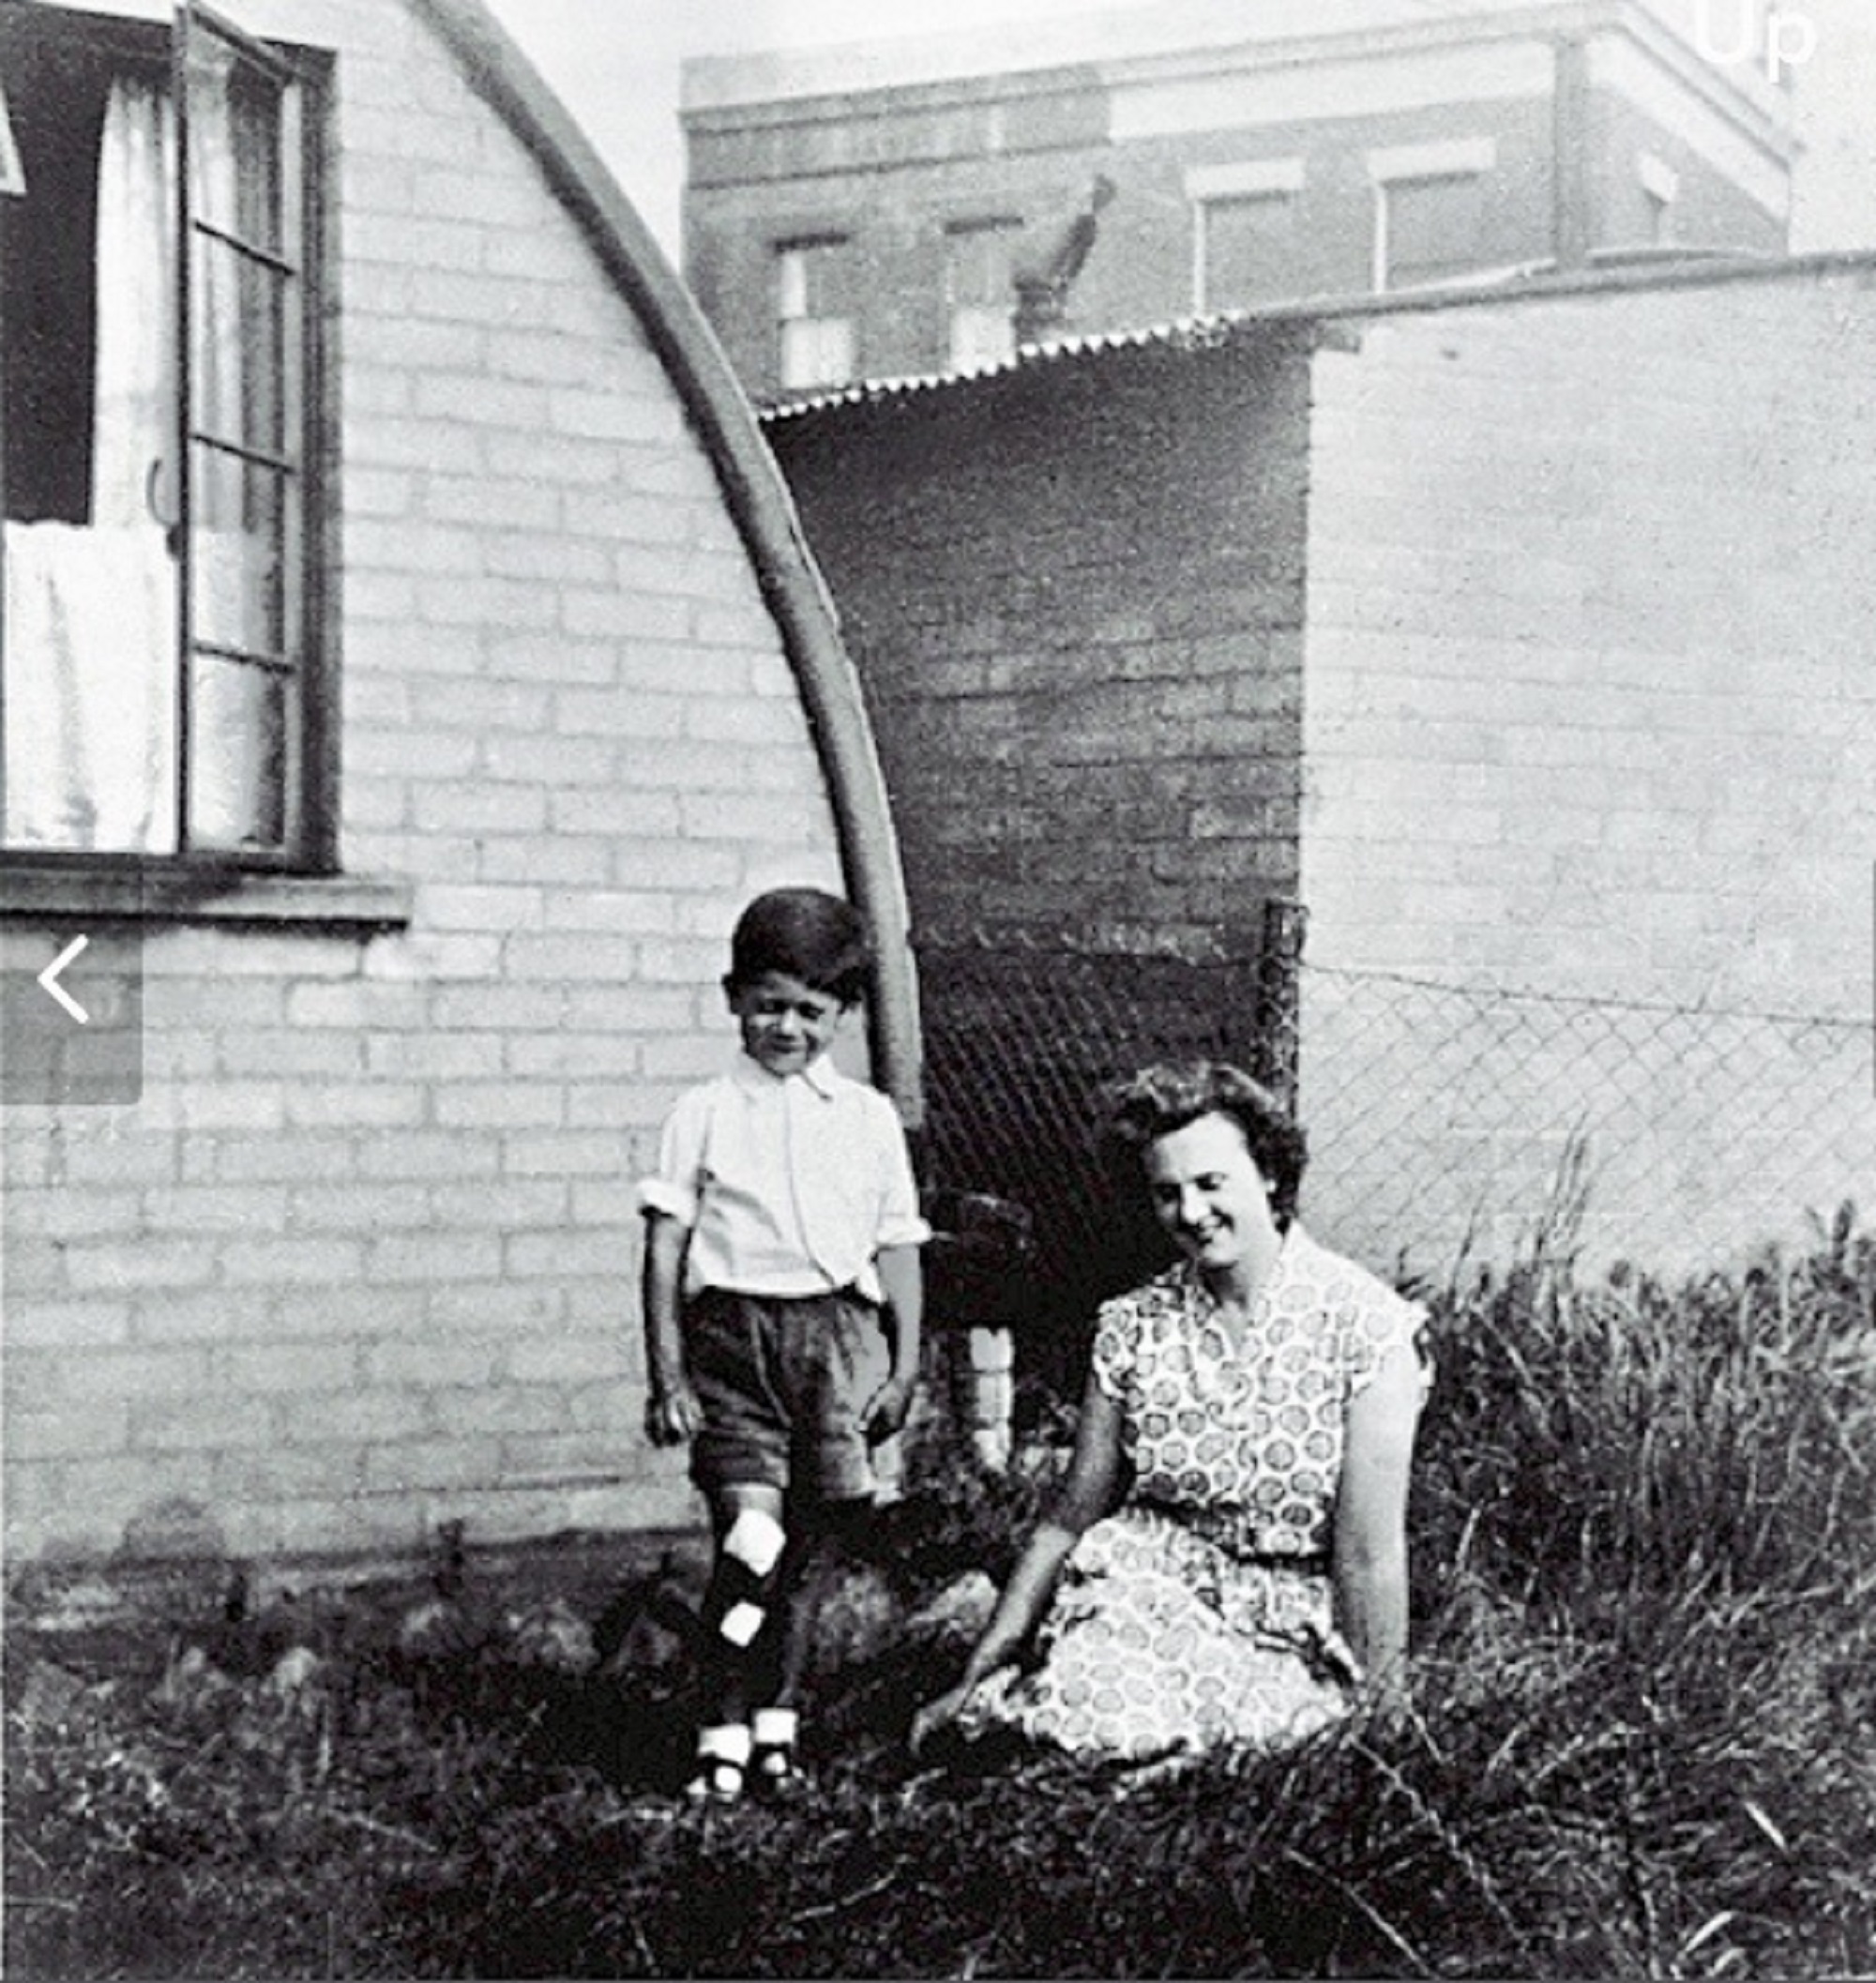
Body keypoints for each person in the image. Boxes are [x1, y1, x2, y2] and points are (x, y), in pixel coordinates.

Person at [912, 1061, 1430, 1769]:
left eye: (1211, 1184)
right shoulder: (1132, 1326)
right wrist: (976, 1670)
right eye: (1167, 1193)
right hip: (1148, 1592)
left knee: (1280, 1746)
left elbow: (1369, 1552)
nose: (1190, 1213)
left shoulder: (1366, 1327)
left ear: (1270, 1177)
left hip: (1288, 1610)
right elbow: (1071, 1516)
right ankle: (1046, 1699)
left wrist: (1385, 1719)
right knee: (1104, 1713)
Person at [639, 887, 928, 1803]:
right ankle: (717, 1724)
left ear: (842, 1015)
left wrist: (905, 1362)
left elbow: (896, 1246)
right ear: (732, 998)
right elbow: (662, 1248)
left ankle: (775, 1727)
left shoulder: (867, 1116)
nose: (785, 1025)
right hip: (733, 1342)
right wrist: (665, 1371)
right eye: (767, 1002)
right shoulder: (704, 1110)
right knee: (750, 1536)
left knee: (802, 1563)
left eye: (810, 1009)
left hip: (839, 1343)